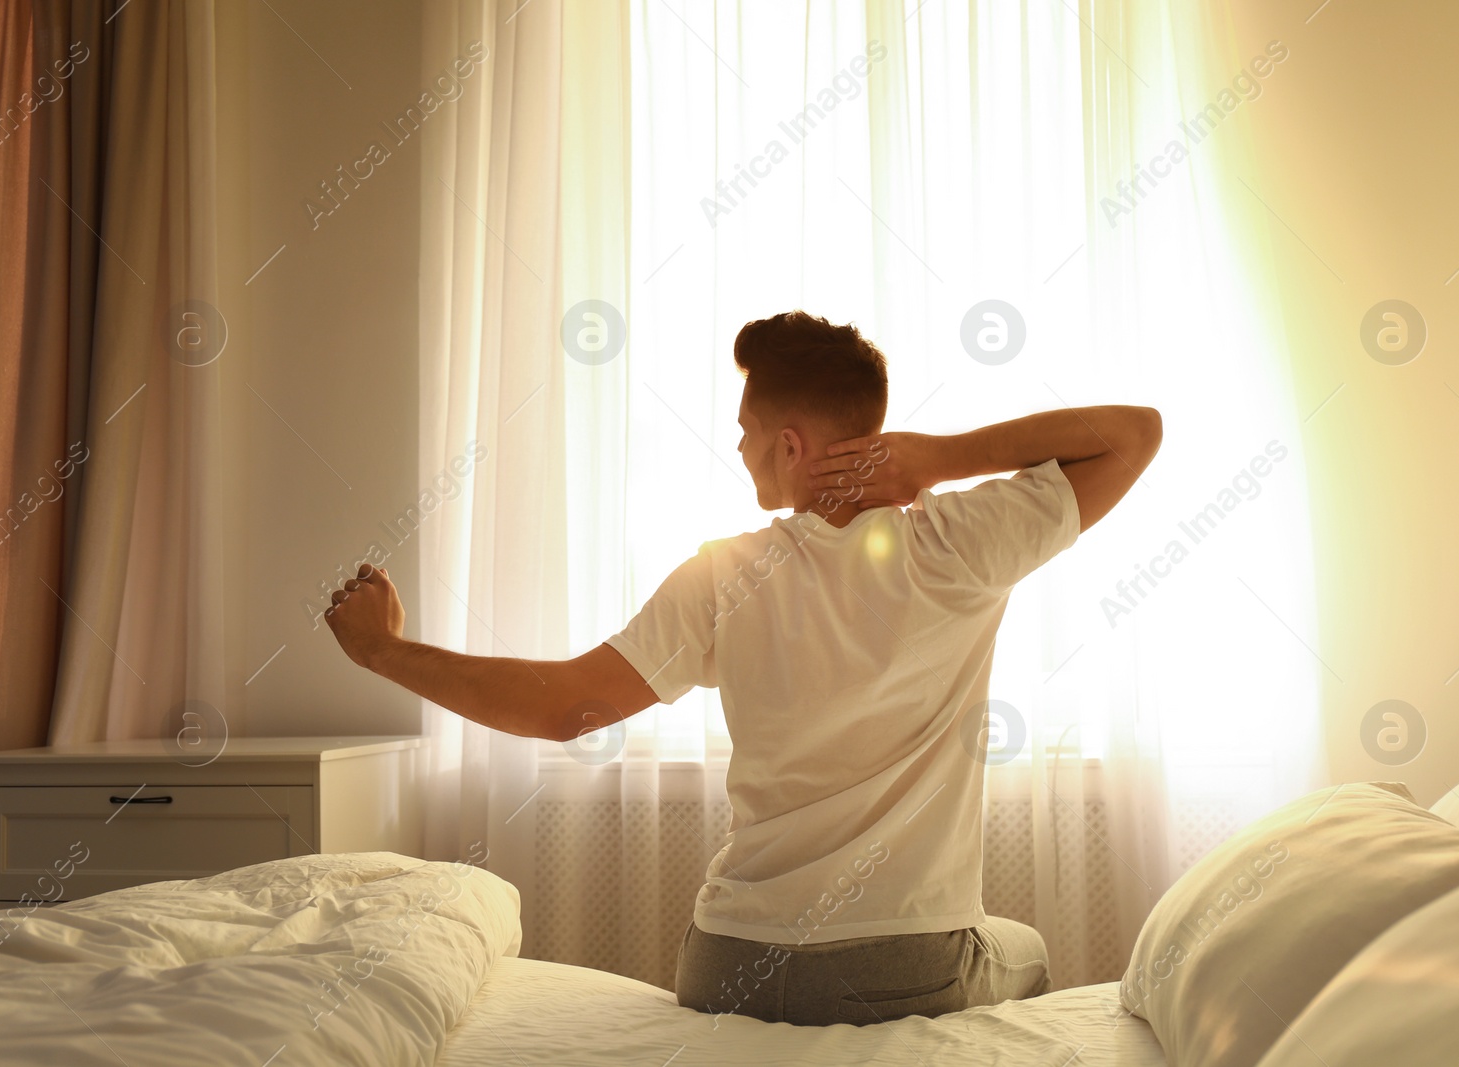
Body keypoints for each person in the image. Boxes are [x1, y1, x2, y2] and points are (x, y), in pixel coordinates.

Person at [324, 310, 1162, 1027]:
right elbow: (1134, 433)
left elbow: (564, 707)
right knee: (1029, 951)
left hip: (730, 964)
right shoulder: (958, 543)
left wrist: (384, 649)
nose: (738, 442)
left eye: (747, 431)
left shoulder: (722, 574)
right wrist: (935, 457)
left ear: (789, 445)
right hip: (906, 961)